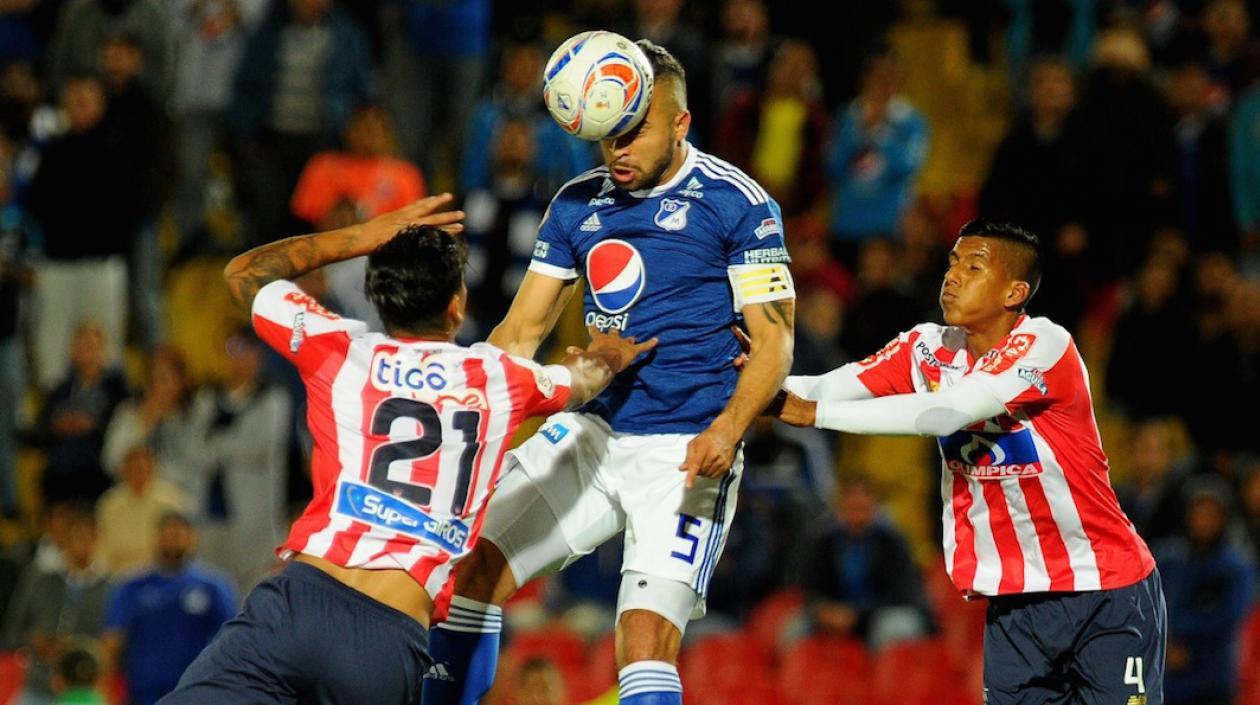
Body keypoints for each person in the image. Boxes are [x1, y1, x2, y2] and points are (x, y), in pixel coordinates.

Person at [158, 193, 655, 704]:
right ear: (456, 304)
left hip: (298, 603)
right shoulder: (501, 380)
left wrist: (363, 237)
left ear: (378, 298)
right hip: (386, 637)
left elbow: (245, 273)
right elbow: (581, 378)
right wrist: (612, 354)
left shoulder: (339, 348)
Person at [422, 40, 795, 705]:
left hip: (686, 450)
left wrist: (731, 429)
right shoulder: (575, 205)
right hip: (595, 434)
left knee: (643, 639)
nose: (616, 150)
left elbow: (774, 341)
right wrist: (468, 426)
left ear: (680, 122)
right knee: (466, 568)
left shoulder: (737, 203)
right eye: (605, 136)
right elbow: (520, 332)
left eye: (632, 132)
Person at [769, 219, 1164, 704]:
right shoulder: (929, 349)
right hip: (1016, 603)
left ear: (1014, 292)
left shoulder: (1045, 344)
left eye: (974, 266)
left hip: (1105, 589)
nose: (952, 276)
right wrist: (754, 382)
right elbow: (823, 384)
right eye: (952, 262)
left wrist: (814, 415)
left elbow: (947, 413)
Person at [102, 512, 237, 705]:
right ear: (155, 539)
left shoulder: (214, 587)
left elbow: (230, 641)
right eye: (167, 536)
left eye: (178, 536)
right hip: (142, 694)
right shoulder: (132, 586)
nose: (172, 542)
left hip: (196, 693)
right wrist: (108, 689)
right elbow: (113, 641)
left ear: (191, 539)